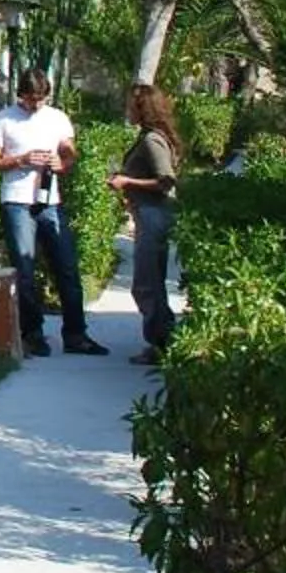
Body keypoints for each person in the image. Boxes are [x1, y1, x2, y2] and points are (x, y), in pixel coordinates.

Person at [0, 67, 105, 357]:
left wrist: (63, 162)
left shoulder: (57, 118)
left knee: (67, 267)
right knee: (25, 270)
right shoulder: (5, 118)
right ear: (20, 95)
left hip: (50, 201)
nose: (35, 104)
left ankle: (76, 334)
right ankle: (33, 333)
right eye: (29, 99)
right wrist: (19, 160)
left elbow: (69, 150)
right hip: (17, 201)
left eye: (40, 98)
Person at [106, 82, 181, 365]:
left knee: (146, 284)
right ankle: (162, 340)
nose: (127, 110)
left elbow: (166, 180)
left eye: (130, 105)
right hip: (149, 213)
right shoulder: (150, 136)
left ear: (142, 109)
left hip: (154, 214)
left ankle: (162, 343)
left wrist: (127, 181)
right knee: (150, 281)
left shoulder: (151, 140)